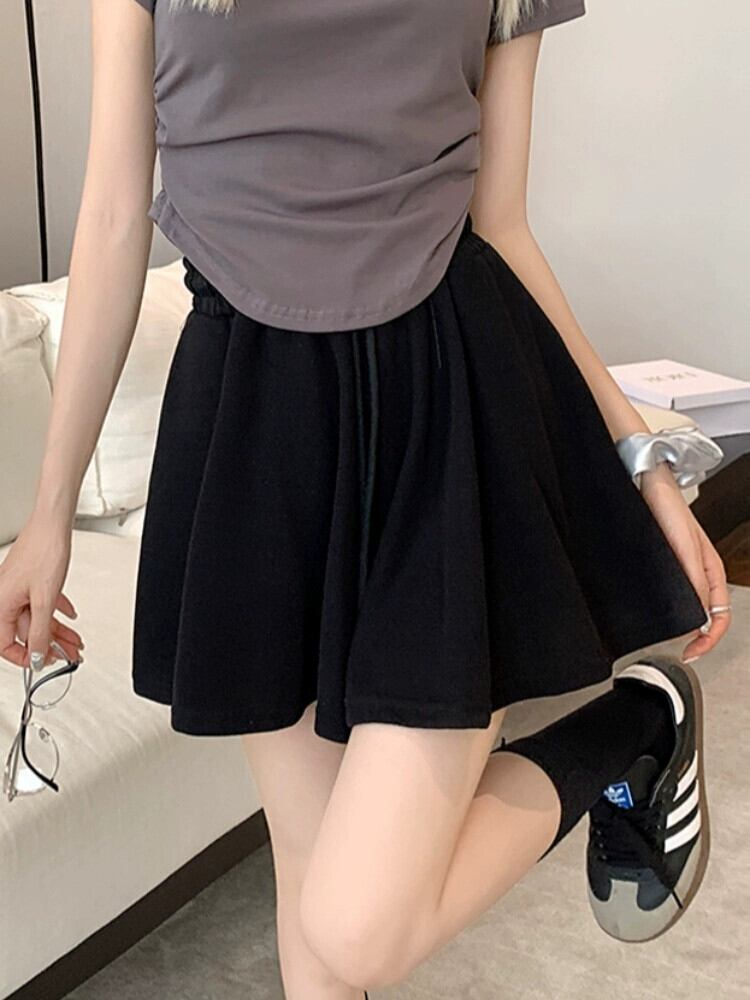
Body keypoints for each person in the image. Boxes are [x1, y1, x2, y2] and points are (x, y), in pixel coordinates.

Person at [0, 0, 732, 996]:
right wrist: (50, 513)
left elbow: (501, 224)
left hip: (447, 408)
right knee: (311, 888)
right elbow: (114, 215)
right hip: (251, 422)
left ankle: (639, 725)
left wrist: (640, 455)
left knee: (356, 927)